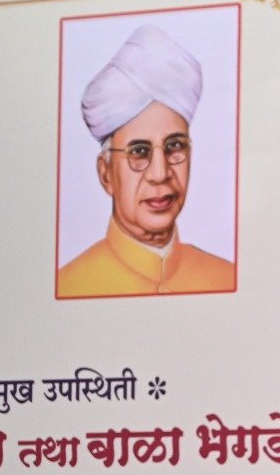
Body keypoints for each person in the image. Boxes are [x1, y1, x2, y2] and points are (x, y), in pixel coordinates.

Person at [56, 24, 234, 299]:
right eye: (139, 152)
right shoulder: (69, 286)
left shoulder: (226, 278)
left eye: (175, 146)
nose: (160, 173)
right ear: (106, 174)